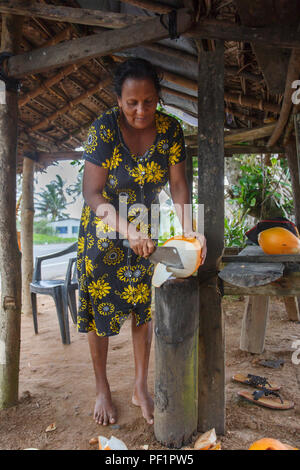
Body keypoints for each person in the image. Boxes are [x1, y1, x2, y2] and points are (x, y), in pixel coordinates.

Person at [77, 58, 206, 426]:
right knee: (101, 314)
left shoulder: (171, 130)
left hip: (146, 231)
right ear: (119, 99)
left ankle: (139, 387)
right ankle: (102, 386)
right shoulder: (104, 130)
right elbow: (92, 193)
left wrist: (188, 232)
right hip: (104, 232)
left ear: (157, 98)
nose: (140, 110)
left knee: (142, 311)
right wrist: (127, 230)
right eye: (132, 102)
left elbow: (179, 186)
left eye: (148, 101)